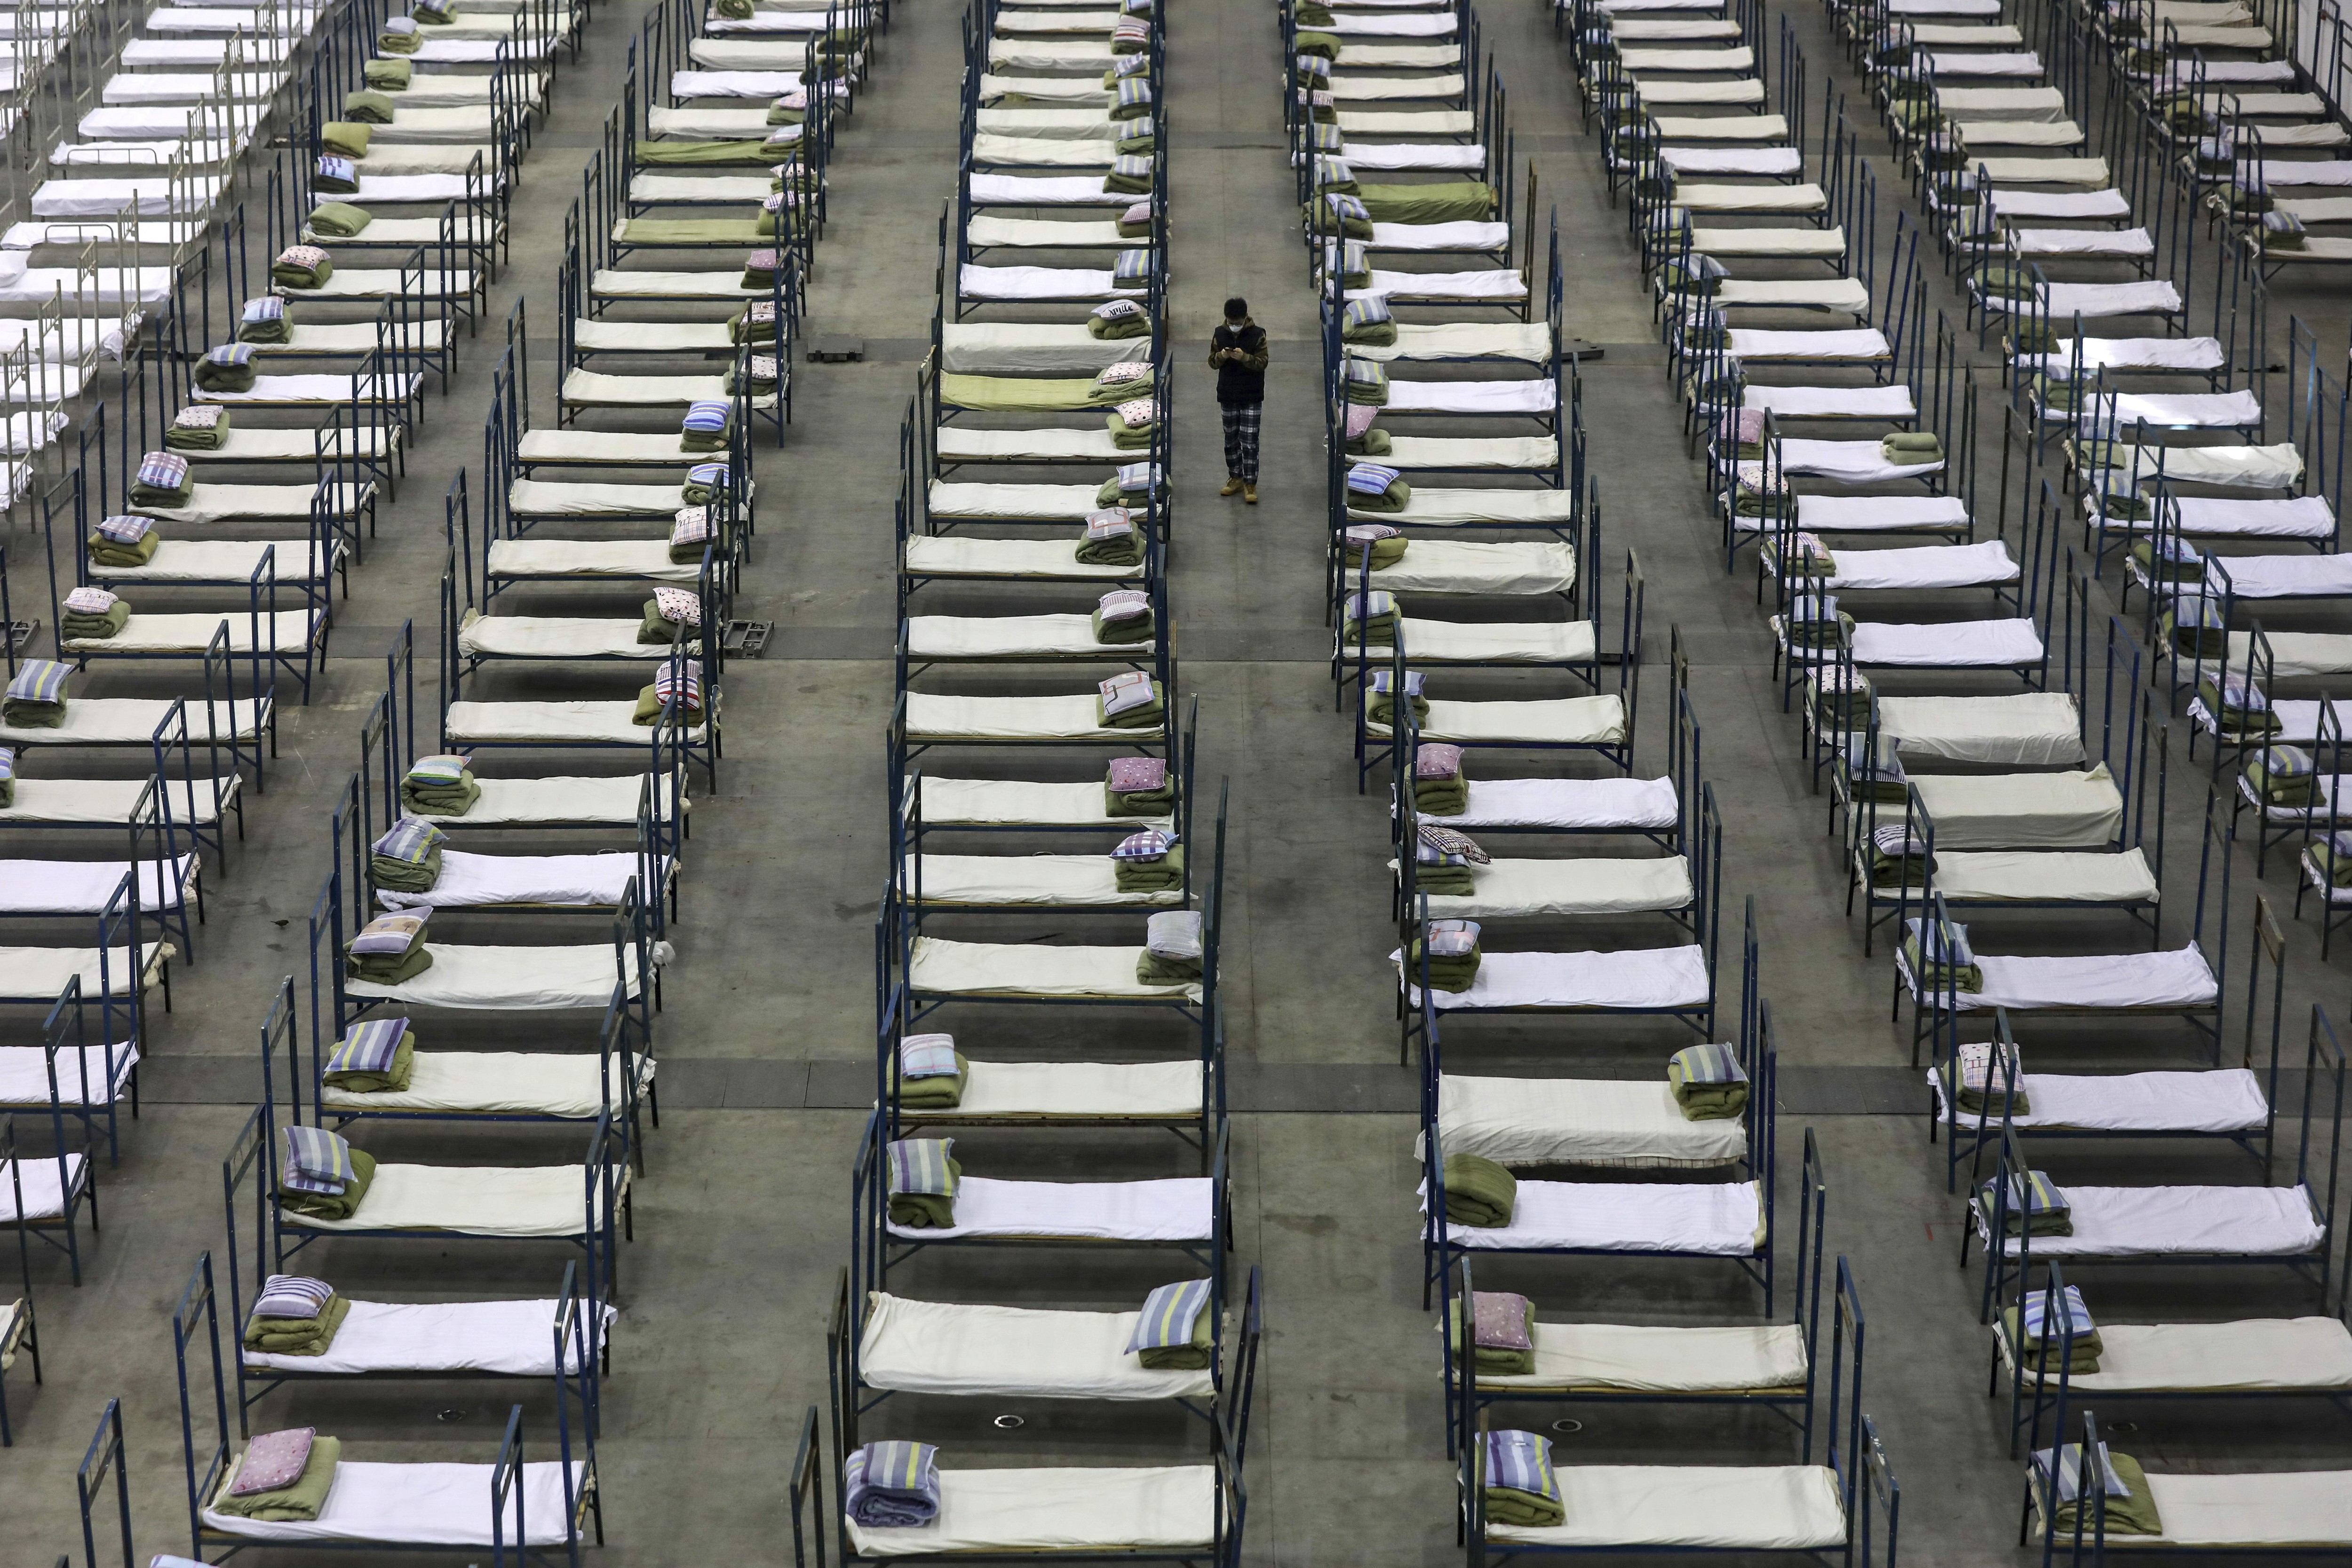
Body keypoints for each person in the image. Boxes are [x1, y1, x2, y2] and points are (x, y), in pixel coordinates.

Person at [1209, 297, 1269, 503]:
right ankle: (1235, 477)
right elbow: (1212, 362)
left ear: (1245, 318)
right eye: (1231, 322)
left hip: (1251, 395)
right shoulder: (1220, 333)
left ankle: (1250, 483)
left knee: (1250, 441)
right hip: (1228, 394)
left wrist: (1244, 357)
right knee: (1231, 439)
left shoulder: (1258, 334)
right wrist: (1222, 357)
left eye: (1238, 322)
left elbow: (1263, 362)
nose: (1234, 326)